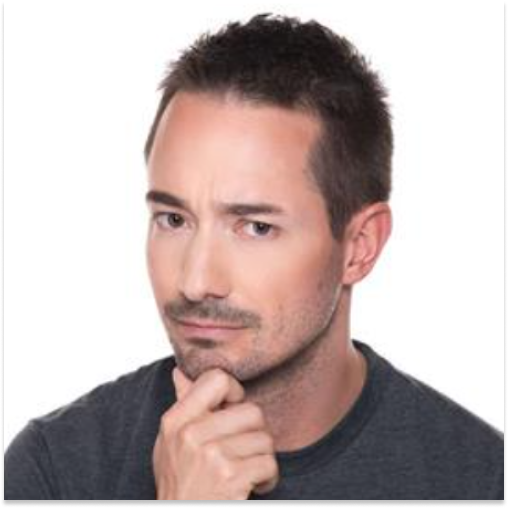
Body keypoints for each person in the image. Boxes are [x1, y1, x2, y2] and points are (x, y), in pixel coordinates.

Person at [5, 13, 504, 501]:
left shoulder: (480, 479)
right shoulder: (55, 471)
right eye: (174, 219)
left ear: (360, 246)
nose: (196, 281)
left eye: (256, 228)